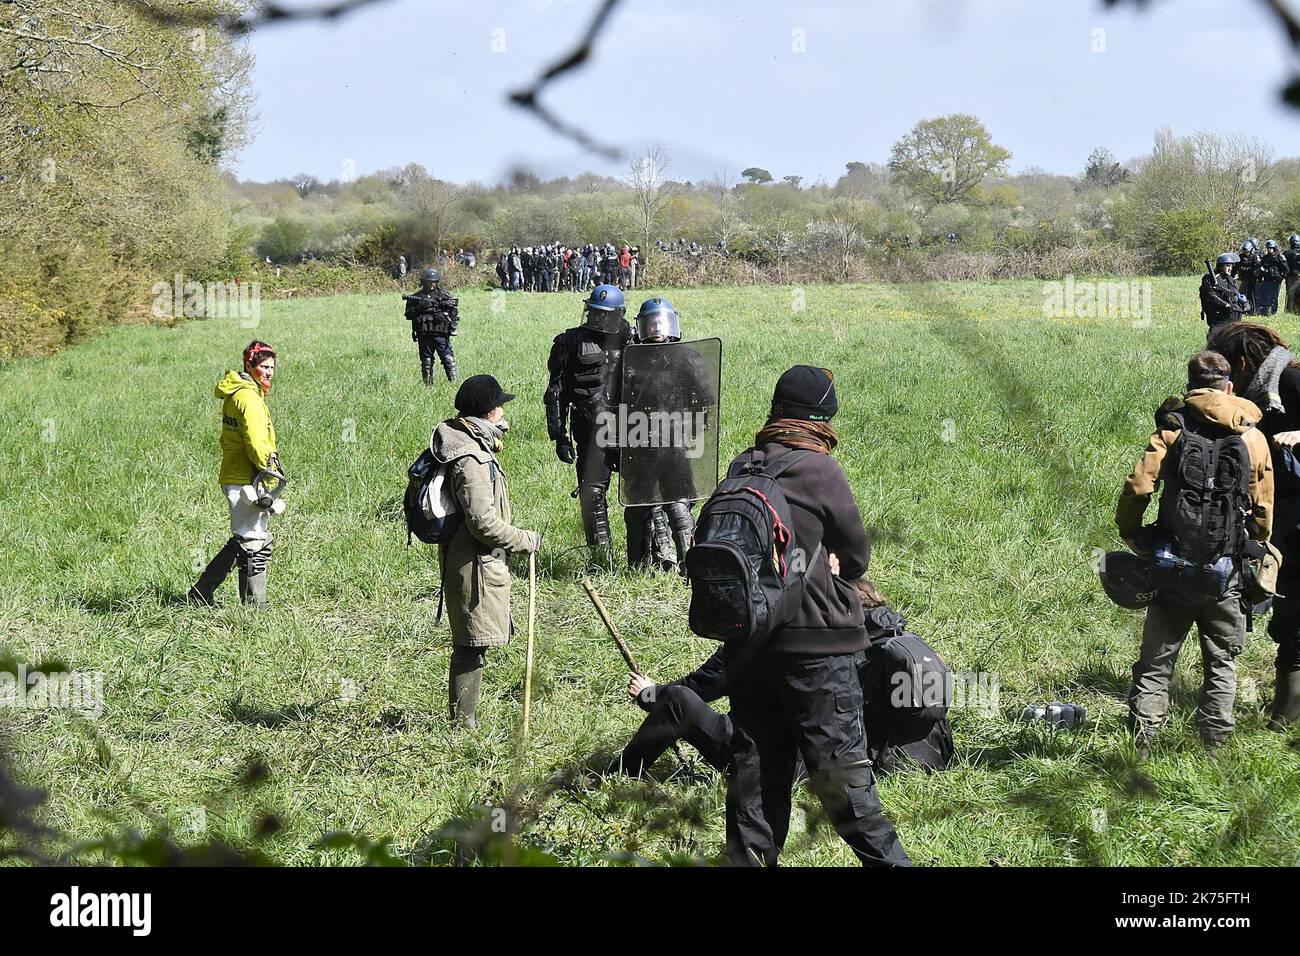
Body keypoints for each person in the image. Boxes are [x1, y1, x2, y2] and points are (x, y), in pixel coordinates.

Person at [721, 366, 911, 867]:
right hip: (817, 651)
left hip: (751, 648)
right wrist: (827, 559)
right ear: (822, 418)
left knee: (755, 786)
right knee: (845, 788)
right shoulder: (819, 469)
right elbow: (856, 557)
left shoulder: (743, 465)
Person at [619, 577, 953, 779]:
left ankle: (620, 775)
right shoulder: (893, 640)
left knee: (675, 702)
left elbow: (703, 686)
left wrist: (652, 694)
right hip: (846, 764)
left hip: (775, 763)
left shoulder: (785, 632)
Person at [1117, 350, 1274, 754]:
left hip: (1172, 567)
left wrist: (1131, 533)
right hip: (1228, 569)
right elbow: (1263, 505)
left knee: (1155, 663)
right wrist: (1253, 541)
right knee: (1222, 663)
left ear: (1190, 386)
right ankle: (1214, 749)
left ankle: (1143, 744)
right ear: (1230, 386)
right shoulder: (1251, 435)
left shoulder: (1172, 429)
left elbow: (1139, 487)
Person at [430, 375, 542, 728]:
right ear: (490, 412)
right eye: (501, 405)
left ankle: (465, 721)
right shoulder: (472, 458)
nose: (504, 411)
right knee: (471, 642)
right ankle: (463, 726)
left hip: (473, 559)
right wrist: (524, 540)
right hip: (474, 563)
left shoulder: (469, 444)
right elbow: (482, 523)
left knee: (474, 640)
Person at [1209, 322, 1300, 727]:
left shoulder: (1292, 381)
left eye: (1230, 369)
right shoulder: (1256, 394)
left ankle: (1287, 717)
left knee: (1294, 615)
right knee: (1288, 609)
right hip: (1282, 516)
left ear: (1244, 362)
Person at [614, 297, 715, 572]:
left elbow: (703, 400)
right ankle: (637, 567)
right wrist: (617, 444)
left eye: (661, 321)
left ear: (671, 323)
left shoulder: (686, 357)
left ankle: (691, 566)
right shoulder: (630, 358)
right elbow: (617, 403)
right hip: (637, 443)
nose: (656, 327)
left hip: (674, 444)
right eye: (651, 322)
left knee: (679, 506)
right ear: (642, 325)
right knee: (637, 508)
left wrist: (691, 431)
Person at [188, 341, 284, 608]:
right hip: (247, 477)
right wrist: (272, 474)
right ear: (249, 366)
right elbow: (256, 442)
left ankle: (200, 593)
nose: (269, 372)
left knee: (246, 537)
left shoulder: (238, 391)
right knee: (254, 541)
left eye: (272, 367)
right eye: (264, 367)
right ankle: (253, 610)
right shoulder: (249, 398)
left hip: (237, 473)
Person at [545, 285, 633, 565]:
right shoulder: (569, 342)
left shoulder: (634, 338)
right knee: (591, 492)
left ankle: (650, 556)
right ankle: (602, 559)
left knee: (645, 491)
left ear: (618, 315)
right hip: (590, 429)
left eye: (603, 314)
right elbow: (555, 392)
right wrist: (559, 435)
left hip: (634, 426)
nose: (596, 318)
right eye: (593, 312)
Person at [404, 267, 459, 384]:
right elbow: (409, 315)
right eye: (429, 282)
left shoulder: (445, 295)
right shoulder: (416, 297)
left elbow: (454, 313)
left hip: (440, 333)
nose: (432, 284)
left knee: (449, 359)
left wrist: (443, 315)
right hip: (424, 334)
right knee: (427, 362)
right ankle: (427, 386)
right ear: (424, 282)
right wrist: (420, 306)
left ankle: (454, 384)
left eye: (434, 282)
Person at [1199, 252, 1249, 336]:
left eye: (1231, 266)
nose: (1230, 268)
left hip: (1231, 315)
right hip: (1217, 314)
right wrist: (1226, 305)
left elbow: (1234, 293)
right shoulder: (1209, 278)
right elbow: (1211, 295)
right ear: (1221, 266)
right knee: (1216, 337)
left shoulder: (1229, 278)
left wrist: (1243, 302)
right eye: (1228, 266)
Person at [1258, 240, 1288, 316]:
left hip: (1275, 280)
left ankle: (1273, 312)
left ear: (1274, 248)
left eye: (1271, 248)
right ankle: (1264, 312)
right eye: (1268, 248)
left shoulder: (1279, 256)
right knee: (1264, 296)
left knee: (1274, 297)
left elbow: (1286, 269)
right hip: (1266, 279)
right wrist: (1260, 279)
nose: (1270, 249)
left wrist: (1281, 278)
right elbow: (1262, 268)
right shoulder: (1265, 257)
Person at [1237, 240, 1261, 314]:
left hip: (1252, 279)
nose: (1245, 253)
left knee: (1252, 295)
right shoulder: (1240, 257)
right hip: (1242, 279)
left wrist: (1248, 270)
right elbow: (1236, 267)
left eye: (1247, 251)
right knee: (1241, 295)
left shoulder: (1255, 257)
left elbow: (1257, 267)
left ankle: (1253, 311)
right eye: (1244, 251)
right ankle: (1242, 310)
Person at [1286, 235, 1300, 315]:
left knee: (1290, 294)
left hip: (1291, 276)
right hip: (1295, 276)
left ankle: (1289, 310)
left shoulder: (1287, 253)